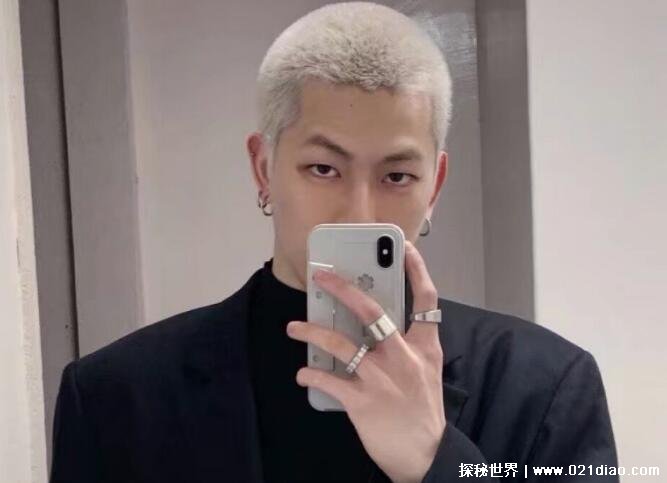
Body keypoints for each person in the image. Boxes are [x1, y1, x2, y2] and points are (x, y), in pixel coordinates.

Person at [49, 2, 618, 482]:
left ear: (435, 186)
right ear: (264, 169)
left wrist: (434, 459)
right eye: (324, 169)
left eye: (397, 176)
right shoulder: (115, 397)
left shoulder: (545, 386)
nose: (360, 213)